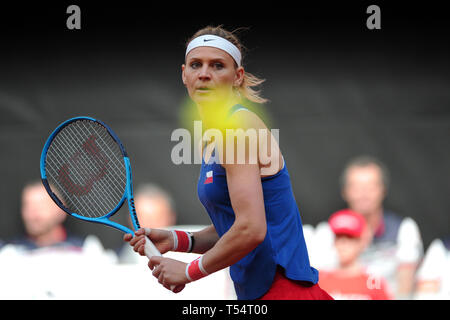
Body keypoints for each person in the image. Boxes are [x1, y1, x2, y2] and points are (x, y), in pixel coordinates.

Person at [124, 25, 332, 300]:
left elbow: (252, 229)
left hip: (285, 292)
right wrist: (178, 240)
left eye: (217, 65)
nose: (205, 74)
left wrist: (189, 272)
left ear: (237, 77)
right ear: (184, 74)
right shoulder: (217, 134)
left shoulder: (238, 125)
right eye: (196, 65)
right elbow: (236, 226)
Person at [339, 155, 423, 298]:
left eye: (370, 187)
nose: (363, 194)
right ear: (345, 192)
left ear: (383, 190)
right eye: (356, 187)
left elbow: (406, 288)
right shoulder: (329, 232)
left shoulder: (404, 230)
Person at [319, 209, 393, 300]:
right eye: (338, 237)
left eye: (350, 237)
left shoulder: (373, 282)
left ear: (362, 242)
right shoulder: (319, 280)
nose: (343, 243)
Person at [10, 180, 84, 251]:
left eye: (41, 207)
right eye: (28, 206)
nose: (33, 215)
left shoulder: (87, 250)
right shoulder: (8, 252)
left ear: (62, 210)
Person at [118, 183, 177, 264]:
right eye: (142, 217)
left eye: (157, 218)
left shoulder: (192, 258)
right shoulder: (116, 258)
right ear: (130, 218)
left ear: (171, 217)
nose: (149, 225)